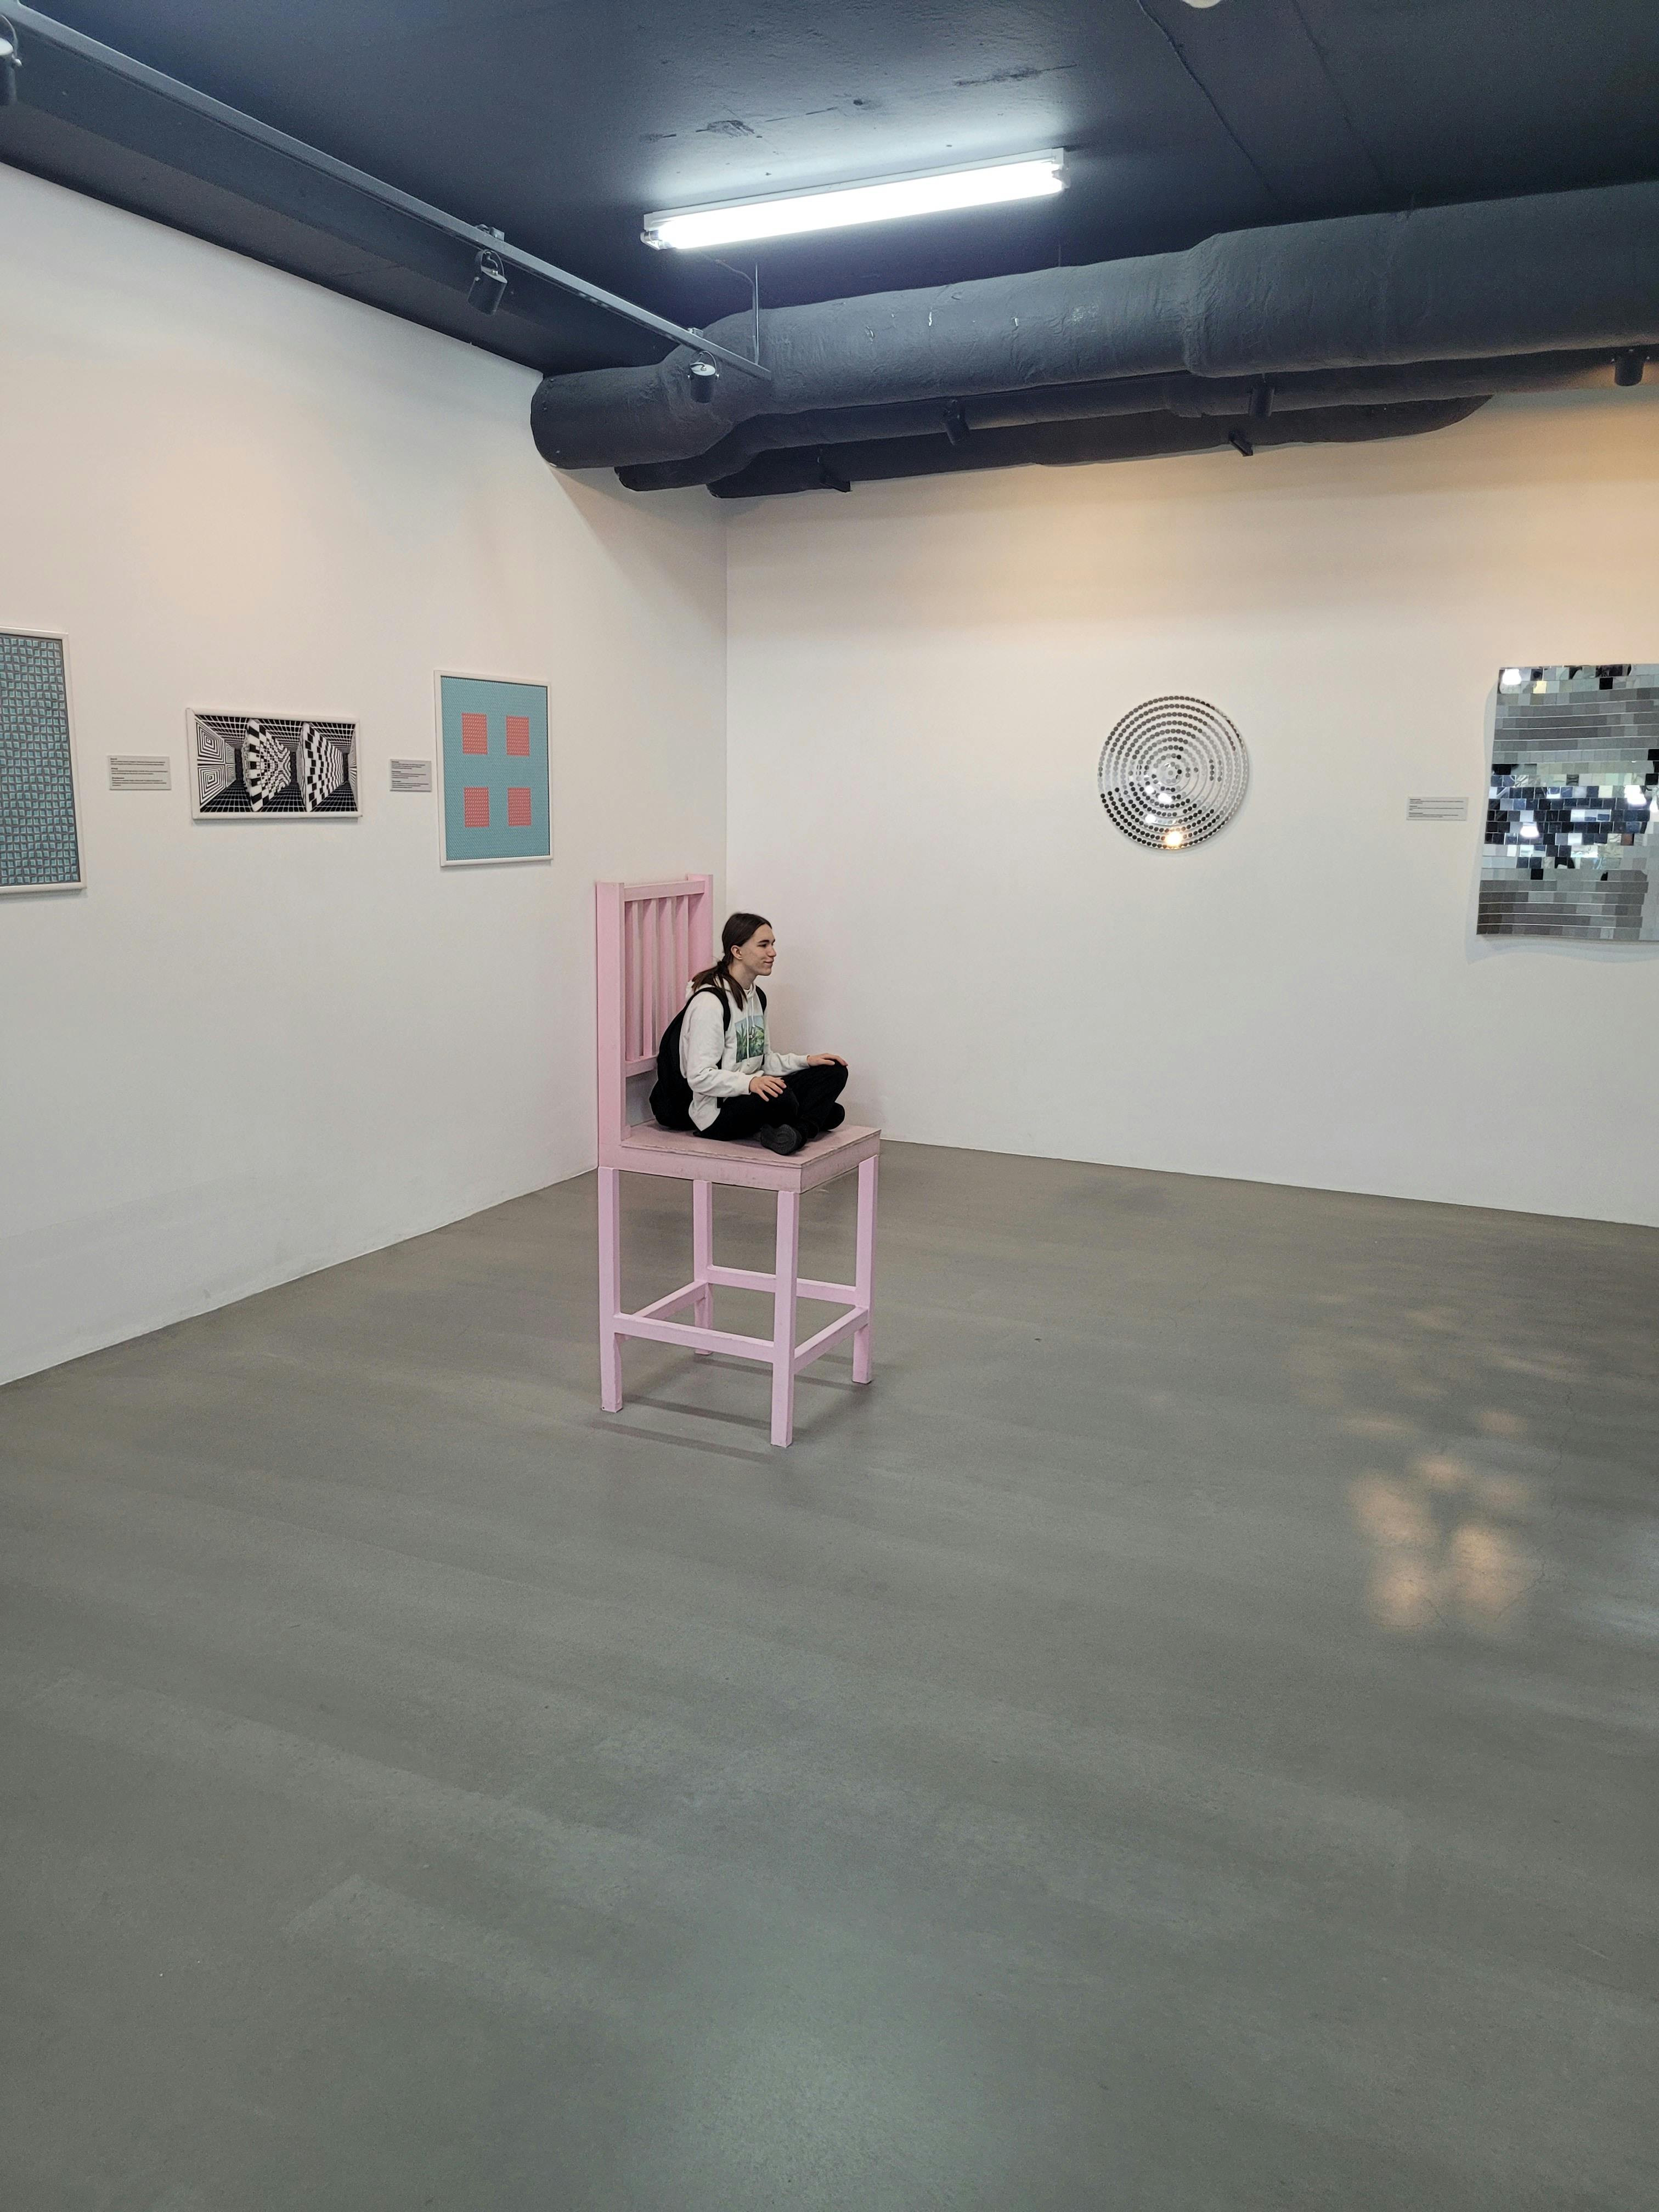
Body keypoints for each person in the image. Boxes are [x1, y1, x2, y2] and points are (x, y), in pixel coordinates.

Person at [675, 911, 848, 1156]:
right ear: (737, 951)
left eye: (773, 944)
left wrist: (807, 1061)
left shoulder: (758, 997)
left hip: (753, 1092)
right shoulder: (710, 1004)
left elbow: (764, 1061)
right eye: (763, 945)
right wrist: (750, 1083)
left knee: (834, 1071)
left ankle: (795, 1131)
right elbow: (699, 1077)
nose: (773, 952)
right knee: (806, 1106)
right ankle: (804, 1126)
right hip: (717, 1113)